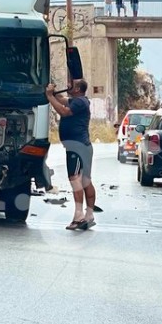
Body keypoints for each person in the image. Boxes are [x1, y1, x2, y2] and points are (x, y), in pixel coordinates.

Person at [46, 79, 97, 230]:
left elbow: (64, 111)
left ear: (78, 89)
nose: (68, 86)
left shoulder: (80, 102)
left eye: (72, 85)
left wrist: (49, 97)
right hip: (81, 146)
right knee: (85, 180)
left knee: (75, 179)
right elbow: (62, 100)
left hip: (77, 147)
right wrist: (52, 93)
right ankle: (89, 215)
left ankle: (79, 215)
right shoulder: (77, 101)